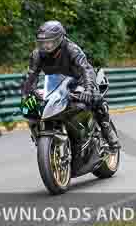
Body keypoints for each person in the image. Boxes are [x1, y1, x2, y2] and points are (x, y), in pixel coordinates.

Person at [20, 20, 120, 150]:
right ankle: (40, 137)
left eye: (49, 42)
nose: (45, 46)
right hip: (56, 85)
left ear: (59, 39)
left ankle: (107, 130)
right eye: (42, 42)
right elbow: (32, 75)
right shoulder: (37, 54)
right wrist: (26, 94)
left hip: (80, 80)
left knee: (96, 98)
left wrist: (88, 90)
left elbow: (86, 69)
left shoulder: (71, 49)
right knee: (32, 107)